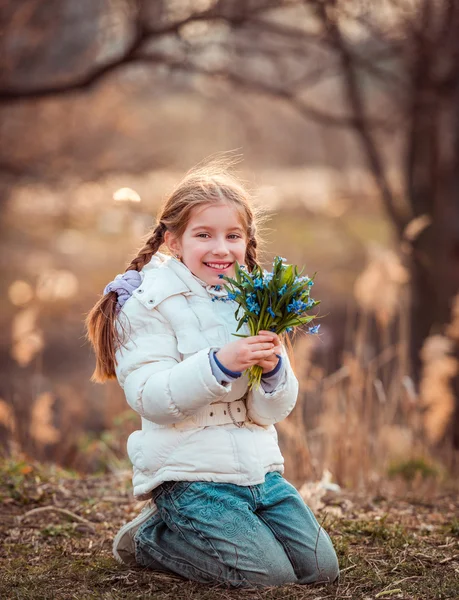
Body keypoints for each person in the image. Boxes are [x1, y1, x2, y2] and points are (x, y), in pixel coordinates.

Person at [85, 156, 339, 589]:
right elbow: (151, 398)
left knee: (321, 569)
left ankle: (220, 530)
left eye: (232, 236)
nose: (221, 249)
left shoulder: (256, 302)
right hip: (190, 477)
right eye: (204, 235)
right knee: (268, 578)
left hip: (260, 474)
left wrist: (274, 373)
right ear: (173, 241)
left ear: (246, 241)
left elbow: (269, 412)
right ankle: (154, 538)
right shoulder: (147, 303)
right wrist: (218, 363)